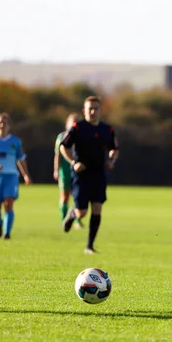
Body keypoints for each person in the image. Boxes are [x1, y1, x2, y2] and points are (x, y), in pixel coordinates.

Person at [60, 96, 119, 254]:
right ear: (84, 111)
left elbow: (114, 148)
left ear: (100, 110)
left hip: (99, 173)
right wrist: (73, 162)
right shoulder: (78, 128)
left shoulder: (107, 130)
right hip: (81, 174)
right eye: (89, 109)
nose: (93, 111)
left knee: (97, 208)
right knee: (82, 212)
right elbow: (63, 147)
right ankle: (73, 213)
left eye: (96, 108)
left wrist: (111, 161)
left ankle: (89, 246)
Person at [0, 113, 32, 239]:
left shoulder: (15, 142)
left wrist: (25, 175)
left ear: (9, 126)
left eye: (5, 123)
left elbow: (21, 159)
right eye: (0, 123)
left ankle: (7, 233)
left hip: (11, 176)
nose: (2, 125)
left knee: (9, 203)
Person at [54, 113, 83, 229]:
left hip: (78, 170)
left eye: (76, 122)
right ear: (67, 124)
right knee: (65, 197)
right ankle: (64, 219)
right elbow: (57, 155)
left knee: (78, 196)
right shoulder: (61, 137)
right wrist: (56, 170)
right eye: (72, 121)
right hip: (65, 171)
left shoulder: (81, 137)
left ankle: (78, 220)